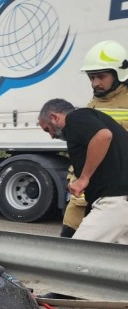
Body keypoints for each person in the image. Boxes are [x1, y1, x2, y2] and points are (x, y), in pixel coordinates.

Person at [38, 98, 128, 309]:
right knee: (114, 268)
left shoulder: (77, 118)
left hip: (114, 202)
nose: (51, 135)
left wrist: (84, 178)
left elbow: (102, 136)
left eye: (47, 129)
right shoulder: (101, 120)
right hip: (123, 202)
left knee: (76, 257)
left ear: (55, 117)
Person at [61, 40, 128, 237]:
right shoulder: (94, 103)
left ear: (119, 73)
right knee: (66, 242)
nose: (95, 83)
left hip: (116, 194)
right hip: (85, 194)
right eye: (91, 77)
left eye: (101, 76)